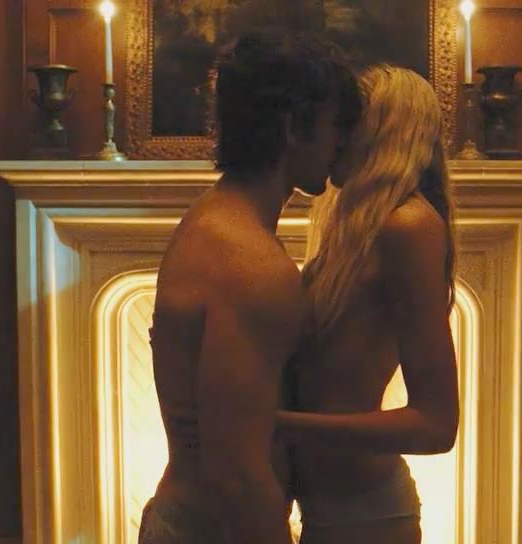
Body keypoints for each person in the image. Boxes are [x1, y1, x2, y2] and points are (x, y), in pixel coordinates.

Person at [141, 29, 360, 544]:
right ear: (293, 127)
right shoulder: (252, 264)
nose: (342, 142)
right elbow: (237, 474)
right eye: (335, 124)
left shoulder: (216, 218)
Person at [278, 64, 461, 544]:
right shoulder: (353, 224)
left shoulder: (408, 226)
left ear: (383, 132)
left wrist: (278, 426)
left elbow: (437, 425)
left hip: (367, 517)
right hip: (327, 510)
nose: (333, 136)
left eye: (347, 122)